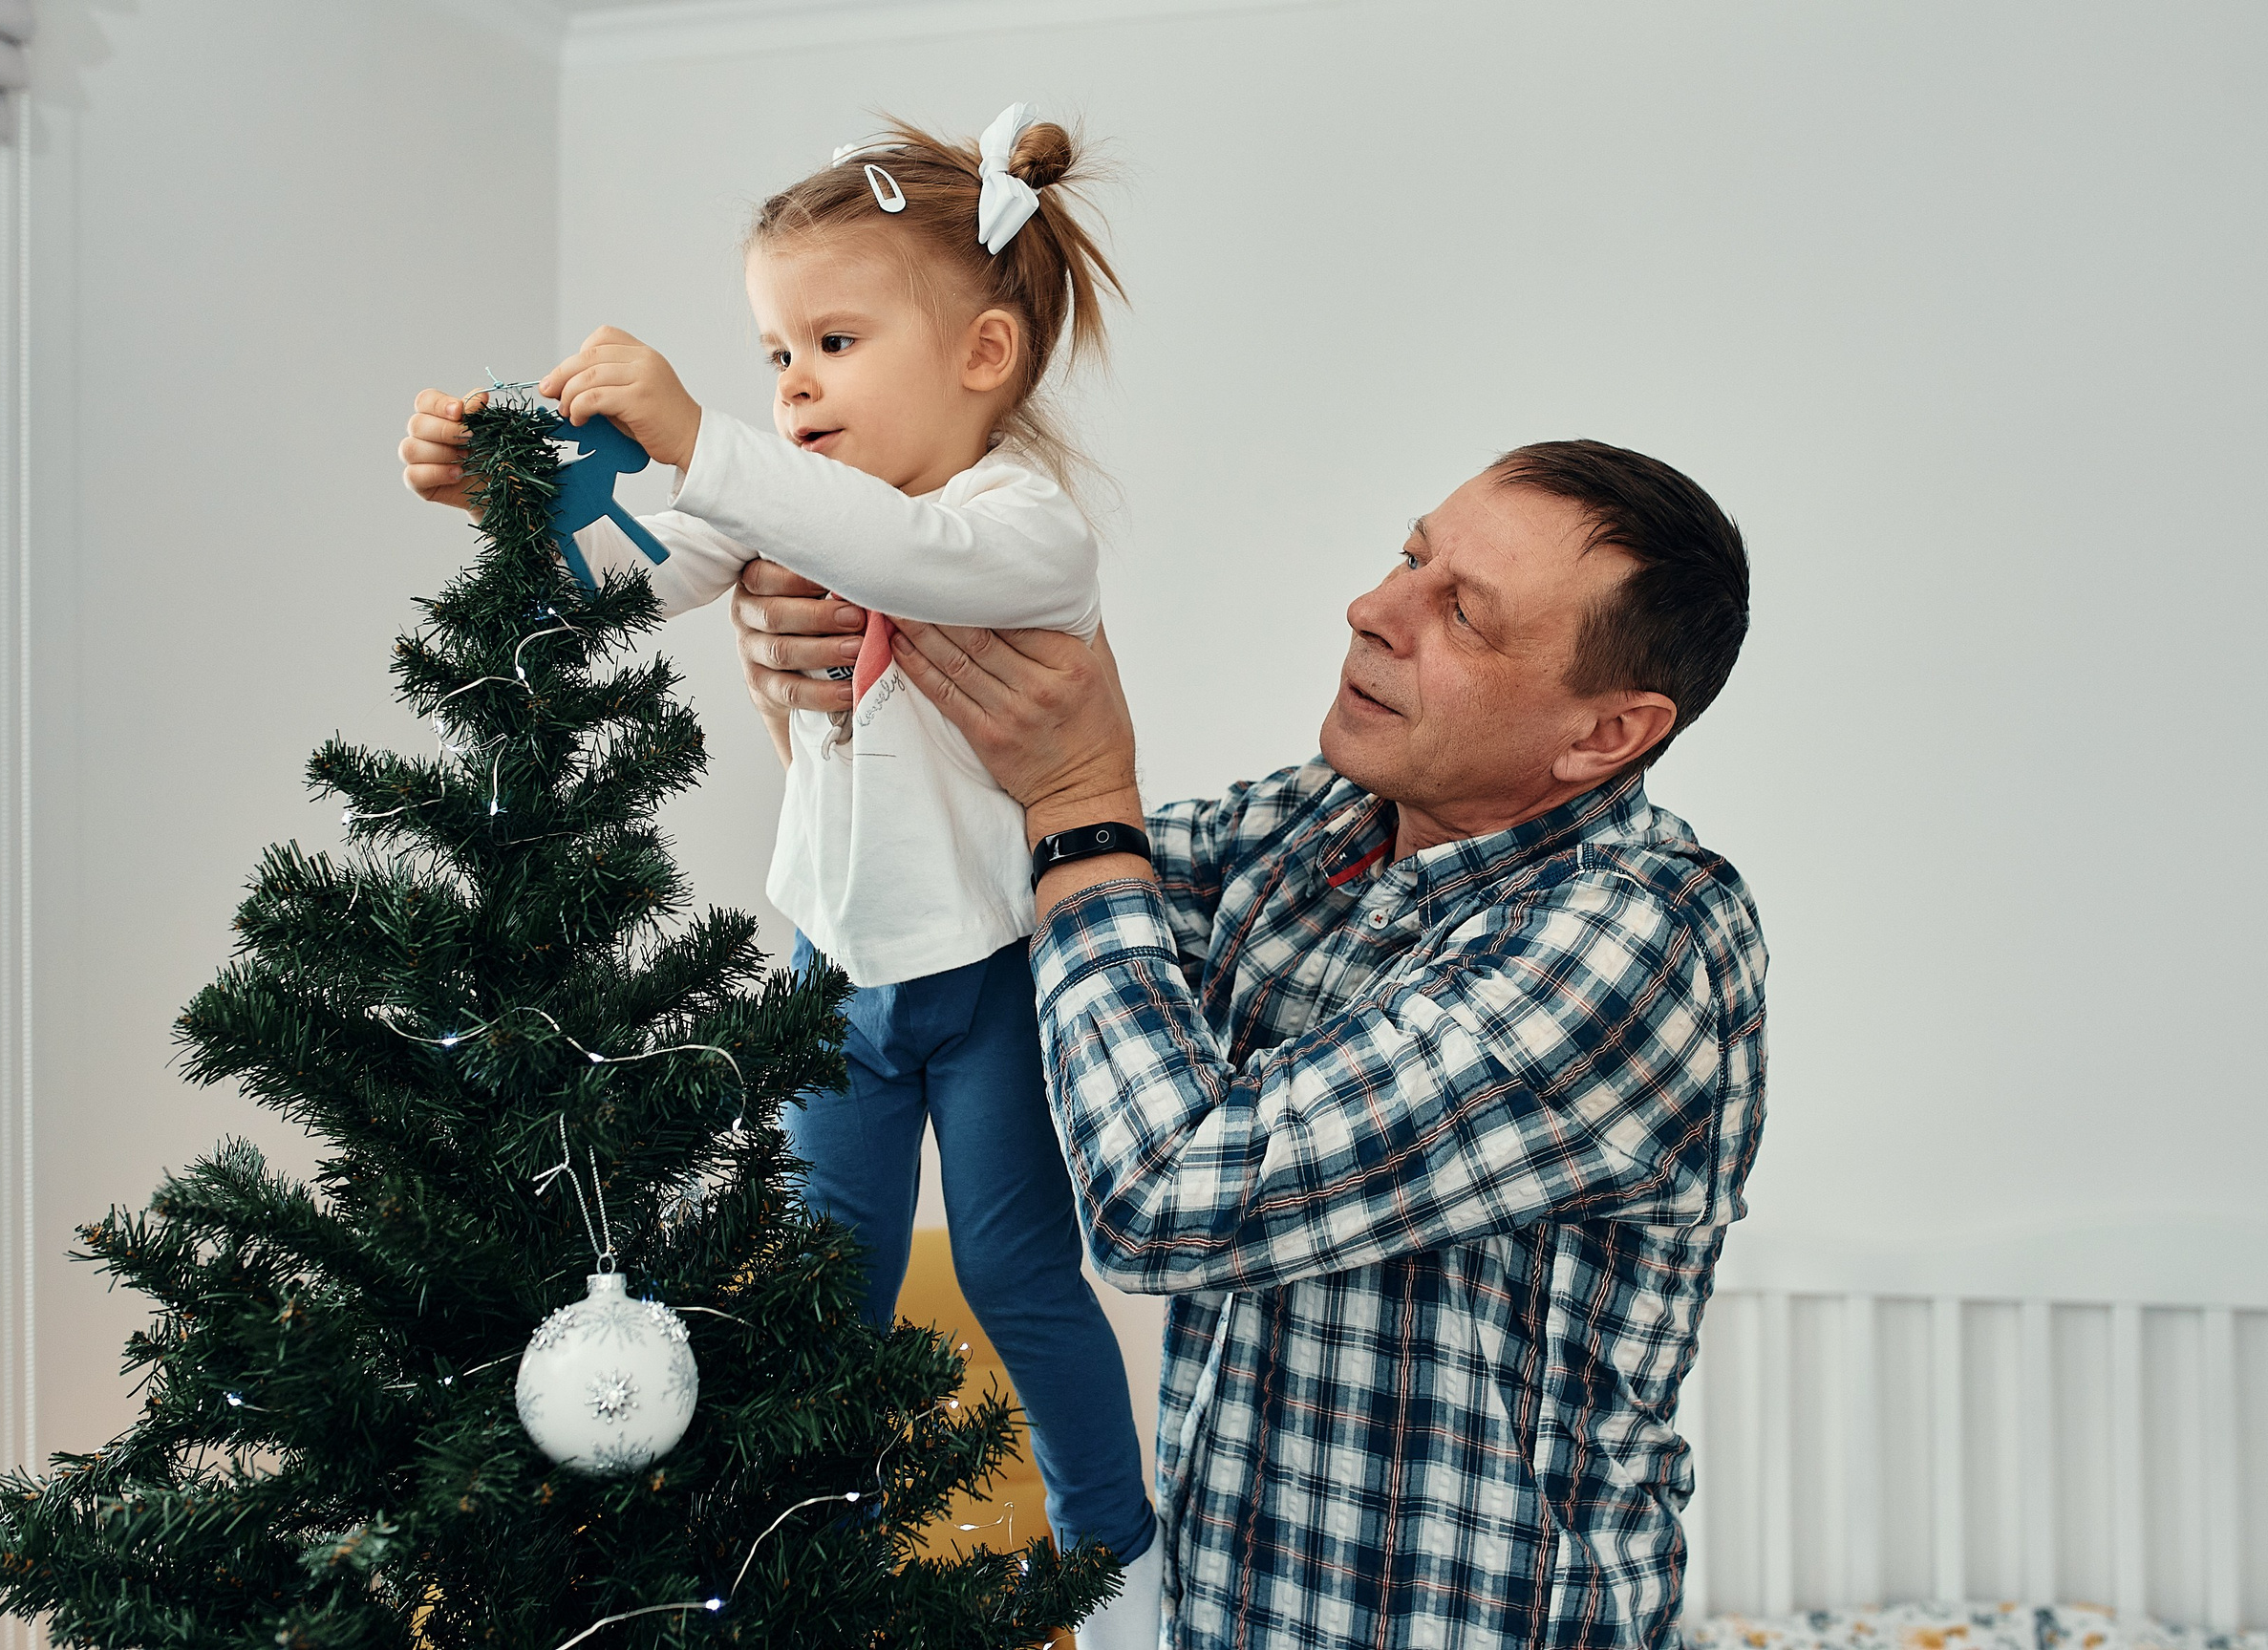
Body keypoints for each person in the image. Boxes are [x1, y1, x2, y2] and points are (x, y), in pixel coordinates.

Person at [728, 440, 1769, 1648]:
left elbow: (1167, 1202)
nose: (1373, 610)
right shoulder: (1319, 823)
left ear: (1605, 733)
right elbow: (981, 901)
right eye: (1410, 556)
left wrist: (1077, 791)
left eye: (1462, 615)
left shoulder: (1641, 935)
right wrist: (823, 699)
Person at [393, 105, 1161, 1646]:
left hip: (988, 969)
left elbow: (901, 558)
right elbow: (620, 579)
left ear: (983, 357)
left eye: (831, 339)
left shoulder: (1025, 528)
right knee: (826, 1290)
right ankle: (815, 1565)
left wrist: (705, 442)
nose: (792, 383)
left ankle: (1122, 1558)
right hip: (832, 974)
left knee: (1019, 1268)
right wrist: (503, 506)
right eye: (771, 354)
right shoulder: (770, 505)